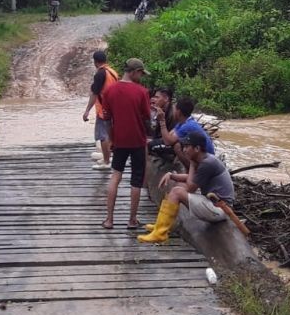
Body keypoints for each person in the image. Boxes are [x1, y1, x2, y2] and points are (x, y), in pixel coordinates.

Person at [139, 130, 235, 243]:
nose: (184, 150)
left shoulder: (207, 164)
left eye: (187, 147)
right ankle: (161, 226)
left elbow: (190, 187)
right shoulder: (205, 159)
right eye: (183, 147)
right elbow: (191, 178)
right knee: (176, 190)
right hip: (214, 204)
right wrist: (172, 176)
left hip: (220, 209)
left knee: (177, 192)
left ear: (197, 148)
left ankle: (160, 233)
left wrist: (192, 164)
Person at [99, 58, 151, 229]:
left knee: (115, 176)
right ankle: (132, 220)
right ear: (135, 72)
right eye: (141, 73)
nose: (142, 77)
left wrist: (112, 138)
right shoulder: (142, 92)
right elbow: (146, 119)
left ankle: (109, 219)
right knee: (136, 180)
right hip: (137, 141)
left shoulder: (110, 91)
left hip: (119, 141)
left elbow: (107, 119)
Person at [83, 50, 119, 171]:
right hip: (113, 108)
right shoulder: (113, 72)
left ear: (95, 62)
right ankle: (108, 157)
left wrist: (87, 110)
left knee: (102, 136)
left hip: (103, 109)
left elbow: (94, 94)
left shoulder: (100, 74)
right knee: (109, 134)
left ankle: (106, 161)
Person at [157, 96, 215, 164]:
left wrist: (162, 121)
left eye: (174, 109)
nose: (173, 111)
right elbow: (169, 136)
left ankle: (191, 170)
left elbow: (168, 142)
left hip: (206, 160)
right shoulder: (184, 121)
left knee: (177, 146)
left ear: (178, 112)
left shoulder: (188, 125)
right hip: (204, 155)